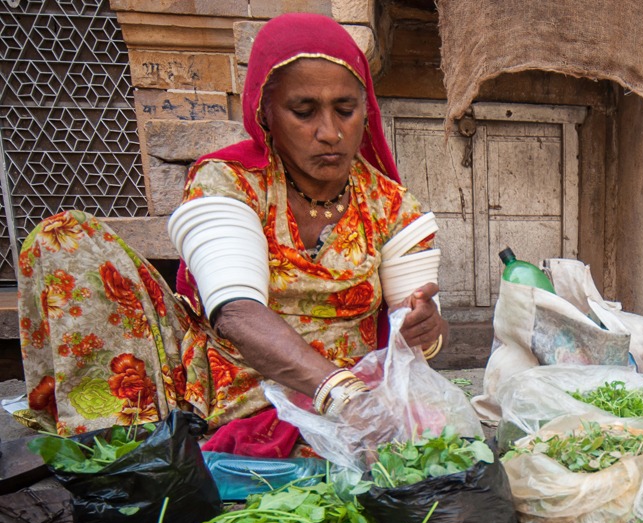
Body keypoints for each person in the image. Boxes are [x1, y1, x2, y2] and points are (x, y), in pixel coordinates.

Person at [16, 13, 447, 450]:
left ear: (365, 112)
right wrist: (341, 395)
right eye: (303, 111)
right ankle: (121, 450)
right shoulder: (230, 180)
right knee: (64, 236)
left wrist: (421, 332)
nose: (329, 132)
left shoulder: (392, 206)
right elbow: (235, 311)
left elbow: (415, 332)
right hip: (227, 382)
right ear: (265, 113)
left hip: (347, 395)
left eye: (345, 110)